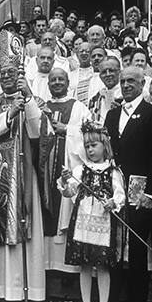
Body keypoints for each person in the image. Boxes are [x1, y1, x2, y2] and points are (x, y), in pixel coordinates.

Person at [0, 56, 47, 302]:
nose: (6, 77)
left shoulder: (32, 99)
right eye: (2, 73)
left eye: (11, 73)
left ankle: (22, 292)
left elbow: (39, 131)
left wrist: (27, 101)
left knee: (22, 222)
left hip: (23, 171)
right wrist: (9, 114)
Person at [105, 66, 152, 302]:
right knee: (113, 245)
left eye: (132, 81)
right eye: (123, 81)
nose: (126, 85)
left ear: (142, 84)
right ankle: (112, 298)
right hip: (115, 189)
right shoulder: (112, 114)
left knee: (137, 248)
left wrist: (150, 193)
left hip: (141, 191)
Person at [59, 120, 126, 302]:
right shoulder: (80, 170)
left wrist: (112, 202)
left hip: (103, 225)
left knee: (103, 267)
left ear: (104, 145)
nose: (90, 149)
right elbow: (69, 192)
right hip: (83, 224)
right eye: (87, 146)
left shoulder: (113, 171)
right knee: (85, 265)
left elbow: (120, 196)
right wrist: (64, 181)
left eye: (94, 145)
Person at [42, 68, 90, 273]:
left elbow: (90, 133)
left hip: (69, 167)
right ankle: (46, 265)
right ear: (48, 83)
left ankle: (67, 270)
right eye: (53, 80)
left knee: (66, 212)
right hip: (45, 167)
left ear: (68, 82)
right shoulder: (42, 106)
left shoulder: (79, 107)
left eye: (61, 79)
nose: (57, 82)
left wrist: (67, 130)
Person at [88, 56, 121, 124]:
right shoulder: (97, 97)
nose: (108, 74)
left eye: (111, 70)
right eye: (104, 72)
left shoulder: (128, 93)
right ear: (100, 76)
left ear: (119, 72)